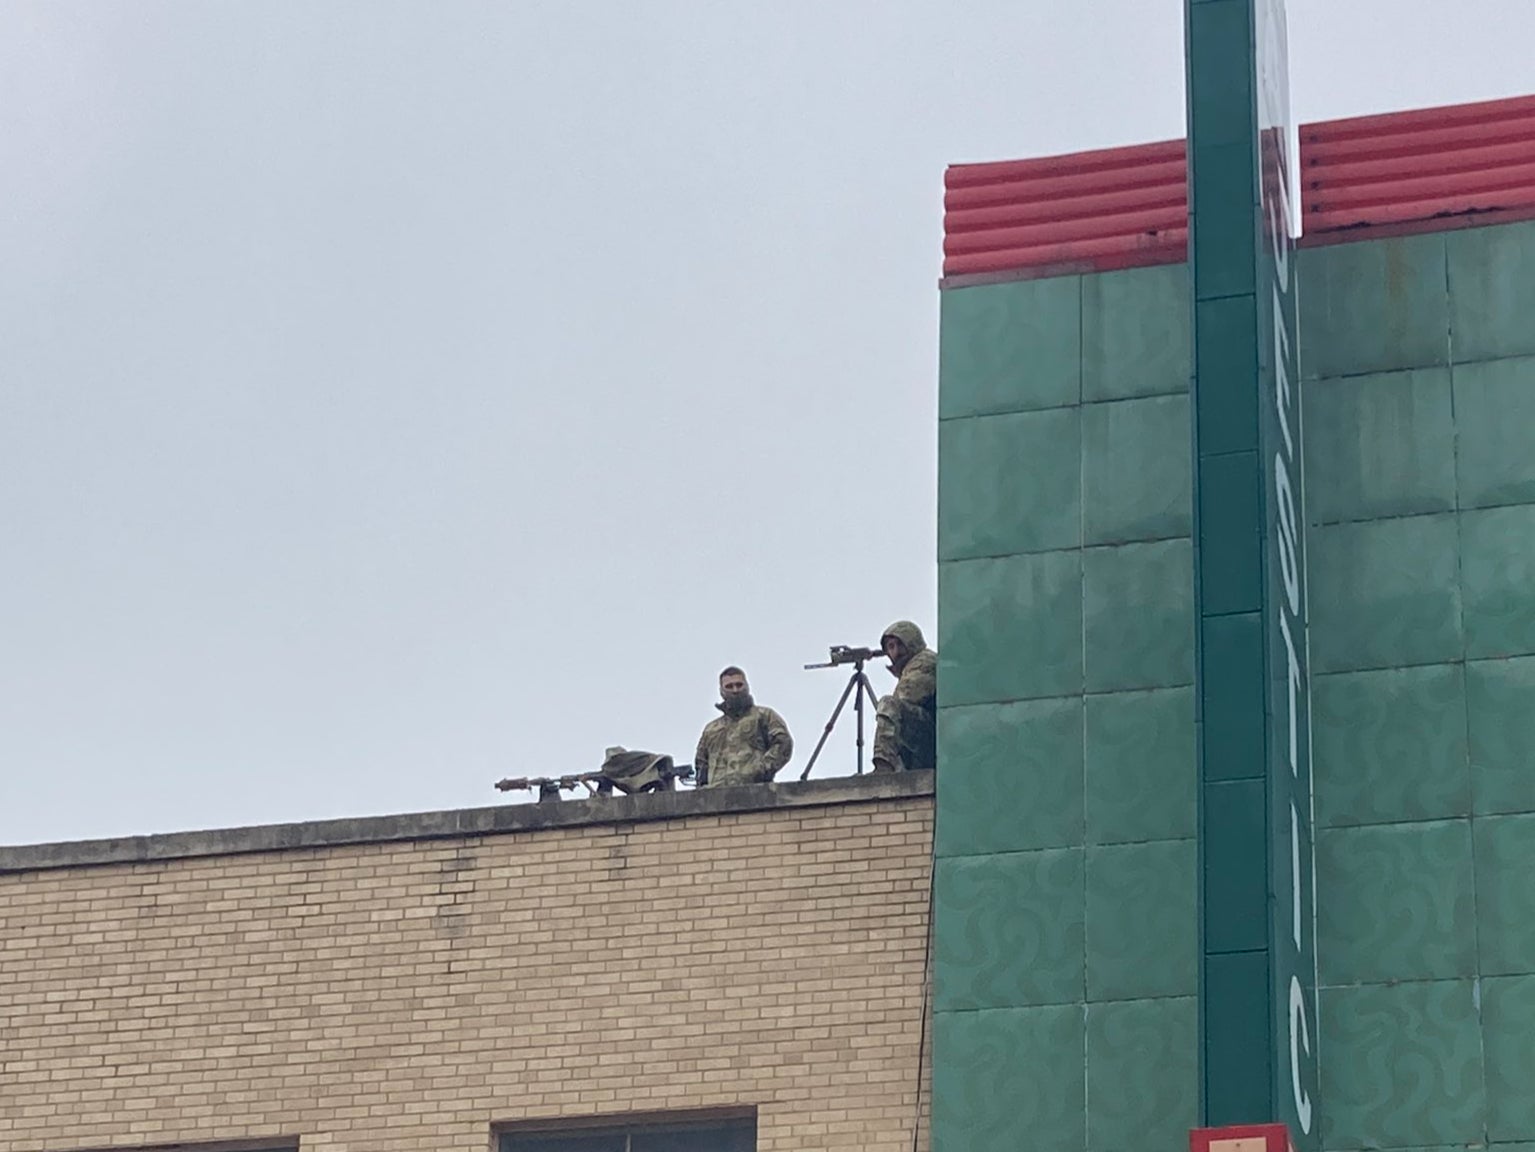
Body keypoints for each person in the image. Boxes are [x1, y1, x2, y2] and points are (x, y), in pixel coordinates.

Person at [695, 666, 794, 787]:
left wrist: (761, 770)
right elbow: (701, 764)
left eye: (739, 685)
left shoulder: (764, 716)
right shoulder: (711, 729)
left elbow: (783, 743)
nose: (735, 690)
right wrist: (703, 790)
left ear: (747, 686)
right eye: (729, 686)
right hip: (717, 794)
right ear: (721, 691)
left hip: (755, 792)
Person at [872, 620, 937, 773]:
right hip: (928, 744)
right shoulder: (911, 666)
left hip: (933, 738)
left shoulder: (924, 661)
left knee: (888, 704)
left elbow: (905, 696)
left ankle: (884, 766)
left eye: (899, 645)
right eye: (891, 647)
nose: (895, 652)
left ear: (911, 642)